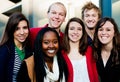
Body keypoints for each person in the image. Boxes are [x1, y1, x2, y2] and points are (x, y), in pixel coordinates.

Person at [62, 17, 99, 82]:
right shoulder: (61, 54)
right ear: (67, 31)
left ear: (83, 32)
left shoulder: (90, 51)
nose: (75, 32)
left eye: (79, 29)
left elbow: (95, 74)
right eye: (72, 29)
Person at [0, 12, 32, 82]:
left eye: (25, 28)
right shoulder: (4, 50)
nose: (22, 32)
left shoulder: (29, 51)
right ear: (11, 30)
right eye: (17, 29)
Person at [93, 17, 120, 82]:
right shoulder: (92, 52)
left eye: (108, 30)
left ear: (114, 33)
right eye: (101, 29)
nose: (104, 33)